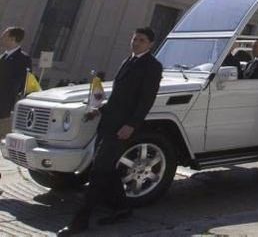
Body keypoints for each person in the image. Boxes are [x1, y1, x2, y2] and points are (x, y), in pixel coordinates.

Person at [58, 28, 163, 235]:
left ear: (150, 44)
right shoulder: (127, 61)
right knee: (107, 168)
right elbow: (118, 97)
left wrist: (131, 125)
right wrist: (99, 110)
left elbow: (145, 100)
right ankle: (123, 208)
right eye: (134, 38)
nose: (136, 42)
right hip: (108, 123)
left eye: (141, 40)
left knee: (98, 171)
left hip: (123, 128)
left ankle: (81, 220)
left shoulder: (152, 66)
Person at [0, 27, 32, 135]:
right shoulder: (3, 57)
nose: (1, 38)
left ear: (12, 38)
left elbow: (22, 82)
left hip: (5, 105)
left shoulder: (23, 59)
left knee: (3, 136)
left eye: (4, 36)